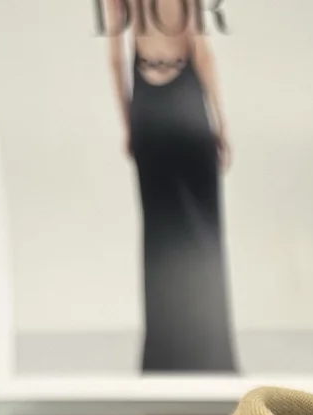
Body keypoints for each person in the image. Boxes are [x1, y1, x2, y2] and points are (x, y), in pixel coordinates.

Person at [106, 0, 237, 373]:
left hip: (147, 109)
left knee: (160, 234)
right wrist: (221, 123)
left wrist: (128, 124)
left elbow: (115, 59)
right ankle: (210, 357)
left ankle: (163, 360)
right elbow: (200, 50)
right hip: (185, 103)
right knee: (203, 233)